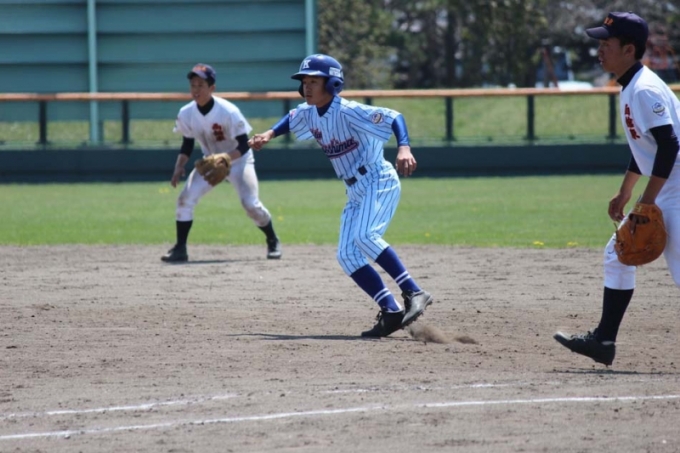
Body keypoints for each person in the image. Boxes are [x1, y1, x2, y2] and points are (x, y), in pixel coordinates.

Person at [247, 54, 433, 337]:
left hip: (378, 179)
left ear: (332, 83)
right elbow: (292, 118)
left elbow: (395, 116)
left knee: (365, 236)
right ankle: (391, 311)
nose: (307, 87)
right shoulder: (310, 112)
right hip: (354, 189)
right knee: (347, 255)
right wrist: (269, 134)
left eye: (314, 81)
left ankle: (413, 291)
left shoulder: (348, 111)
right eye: (304, 81)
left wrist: (404, 148)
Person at [553, 12, 680, 366]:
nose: (599, 50)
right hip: (667, 184)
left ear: (629, 49)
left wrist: (646, 202)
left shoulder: (644, 89)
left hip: (675, 186)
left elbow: (670, 145)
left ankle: (604, 339)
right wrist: (626, 192)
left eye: (606, 43)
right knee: (618, 253)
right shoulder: (630, 86)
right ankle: (603, 341)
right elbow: (646, 148)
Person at [161, 63, 282, 262]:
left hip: (239, 162)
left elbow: (244, 144)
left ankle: (272, 239)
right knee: (184, 200)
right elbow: (187, 143)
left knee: (250, 204)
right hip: (210, 163)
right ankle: (180, 248)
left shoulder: (228, 111)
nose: (196, 89)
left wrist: (226, 157)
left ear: (212, 88)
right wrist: (179, 165)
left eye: (201, 85)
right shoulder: (186, 113)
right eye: (193, 85)